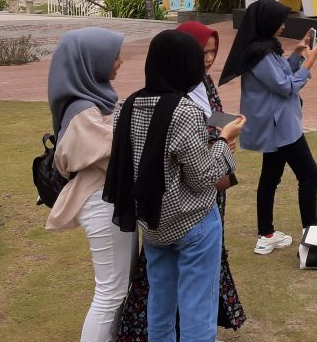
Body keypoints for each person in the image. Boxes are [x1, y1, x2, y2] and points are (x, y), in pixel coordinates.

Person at [104, 30, 244, 342]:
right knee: (197, 311)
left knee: (161, 305)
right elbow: (203, 178)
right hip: (193, 221)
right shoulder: (185, 111)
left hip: (152, 221)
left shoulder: (125, 107)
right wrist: (224, 141)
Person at [45, 27, 133, 342]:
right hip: (101, 203)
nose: (120, 61)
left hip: (110, 201)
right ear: (91, 60)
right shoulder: (81, 111)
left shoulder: (96, 99)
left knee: (117, 289)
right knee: (110, 291)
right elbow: (118, 154)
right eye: (114, 55)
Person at [220, 0, 317, 255]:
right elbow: (286, 86)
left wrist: (297, 55)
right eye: (278, 22)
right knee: (309, 175)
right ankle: (312, 238)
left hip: (277, 124)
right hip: (281, 126)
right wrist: (308, 64)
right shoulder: (260, 54)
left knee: (271, 177)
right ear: (265, 23)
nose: (283, 27)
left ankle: (266, 234)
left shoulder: (263, 49)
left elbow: (281, 75)